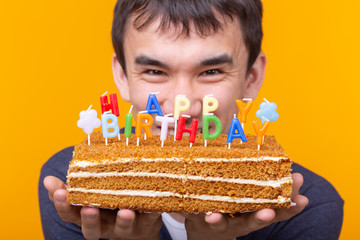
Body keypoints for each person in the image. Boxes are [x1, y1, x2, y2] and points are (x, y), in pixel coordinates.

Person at [39, 0, 344, 239]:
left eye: (211, 72)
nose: (183, 108)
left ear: (252, 77)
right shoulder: (74, 189)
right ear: (122, 76)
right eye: (155, 72)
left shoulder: (307, 207)